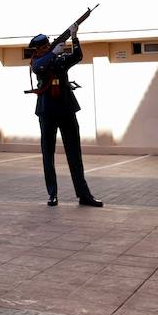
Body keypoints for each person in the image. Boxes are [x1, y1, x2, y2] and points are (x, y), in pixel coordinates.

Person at [29, 30, 103, 208]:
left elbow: (77, 56)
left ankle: (84, 195)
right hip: (47, 111)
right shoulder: (38, 61)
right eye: (43, 47)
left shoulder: (59, 60)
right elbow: (39, 68)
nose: (46, 49)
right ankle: (52, 194)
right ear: (37, 50)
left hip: (66, 108)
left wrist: (74, 37)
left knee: (74, 154)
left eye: (48, 46)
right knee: (48, 154)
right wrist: (53, 53)